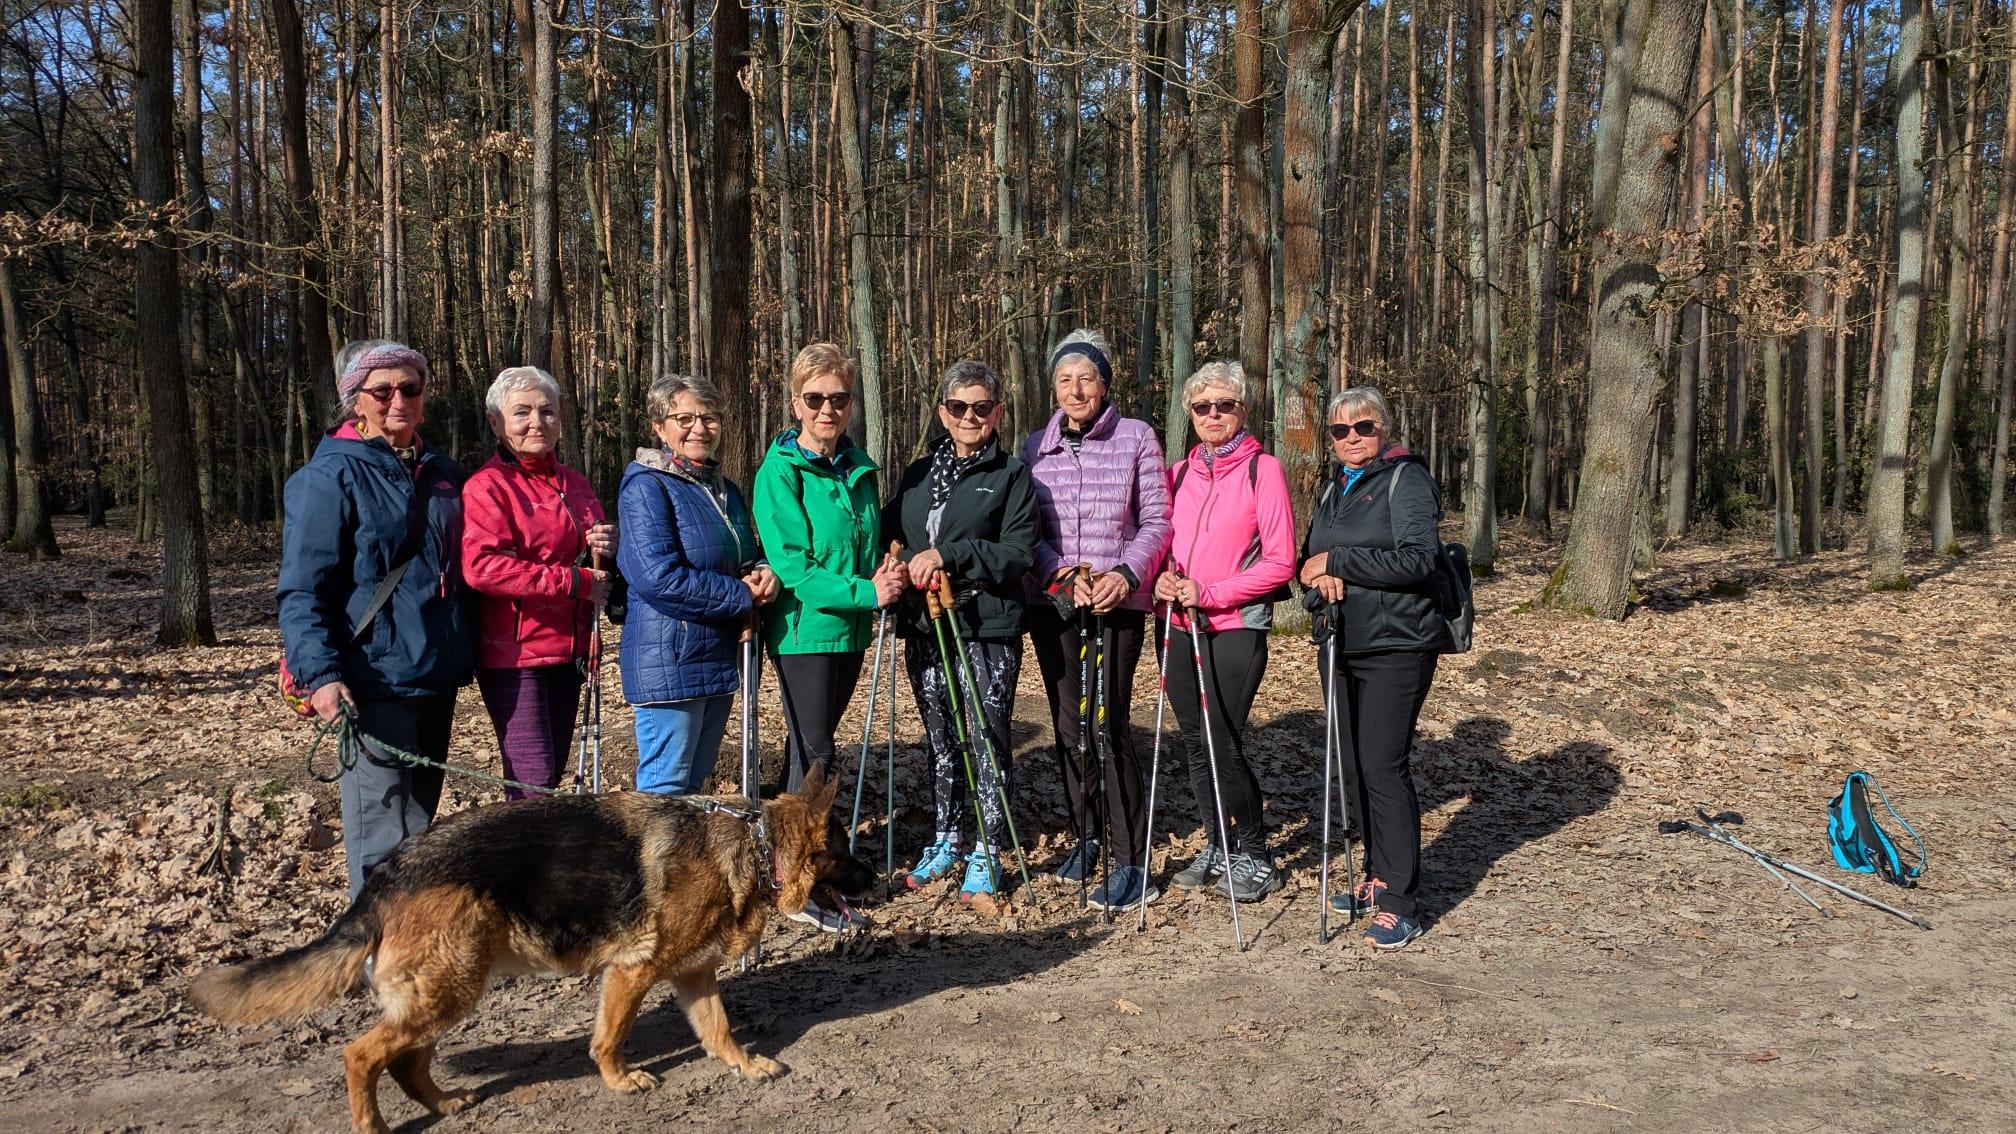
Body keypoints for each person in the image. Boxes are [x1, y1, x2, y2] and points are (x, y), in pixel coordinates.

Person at [278, 339, 474, 898]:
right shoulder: (328, 477)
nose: (398, 401)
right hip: (371, 682)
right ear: (355, 400)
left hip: (434, 677)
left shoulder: (443, 473)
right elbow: (302, 590)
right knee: (382, 841)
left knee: (419, 835)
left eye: (410, 388)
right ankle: (372, 945)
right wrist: (321, 675)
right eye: (382, 391)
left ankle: (406, 944)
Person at [752, 343, 903, 931]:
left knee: (807, 755)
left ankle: (782, 871)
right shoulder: (781, 471)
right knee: (817, 759)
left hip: (850, 631)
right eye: (814, 399)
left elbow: (863, 544)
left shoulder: (858, 467)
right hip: (804, 631)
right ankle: (798, 881)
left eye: (838, 399)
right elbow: (794, 567)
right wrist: (868, 591)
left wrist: (884, 567)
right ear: (796, 403)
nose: (826, 410)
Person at [1298, 386, 1450, 951]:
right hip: (1340, 640)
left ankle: (1401, 903)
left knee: (1384, 767)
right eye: (1340, 430)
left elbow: (1418, 559)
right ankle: (1376, 875)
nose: (1352, 438)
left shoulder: (1405, 479)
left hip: (1397, 644)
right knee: (1353, 766)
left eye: (1363, 427)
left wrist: (1339, 561)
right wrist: (1317, 578)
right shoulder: (1333, 487)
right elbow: (1307, 562)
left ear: (1384, 429)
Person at [1021, 329, 1171, 899]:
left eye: (1086, 378)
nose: (1076, 390)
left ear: (1105, 383)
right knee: (1069, 727)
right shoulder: (1034, 447)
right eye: (1065, 379)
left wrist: (1125, 575)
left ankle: (1132, 860)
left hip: (1116, 604)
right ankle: (1087, 834)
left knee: (1107, 726)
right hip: (1056, 603)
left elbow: (1157, 520)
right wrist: (1059, 573)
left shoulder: (1136, 437)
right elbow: (1027, 530)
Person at [882, 361, 1039, 902]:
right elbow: (890, 533)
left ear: (997, 413)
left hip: (985, 623)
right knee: (942, 738)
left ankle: (988, 847)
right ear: (942, 412)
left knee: (985, 736)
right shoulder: (918, 474)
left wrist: (950, 554)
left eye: (981, 407)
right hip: (927, 622)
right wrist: (893, 562)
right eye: (958, 407)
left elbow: (1018, 552)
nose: (969, 417)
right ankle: (947, 837)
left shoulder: (1011, 475)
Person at [1152, 361, 1297, 905]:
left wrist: (1211, 593)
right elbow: (1161, 543)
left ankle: (1257, 855)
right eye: (1202, 406)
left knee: (1222, 741)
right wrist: (1160, 577)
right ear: (1189, 413)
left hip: (1235, 625)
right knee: (1195, 742)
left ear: (1243, 409)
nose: (1213, 415)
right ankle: (1218, 845)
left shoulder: (1264, 469)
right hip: (1177, 624)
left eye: (1224, 405)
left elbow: (1281, 562)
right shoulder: (1178, 473)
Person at [615, 374, 777, 795]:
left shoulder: (725, 490)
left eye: (709, 418)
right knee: (665, 787)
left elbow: (745, 554)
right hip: (671, 657)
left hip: (718, 655)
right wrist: (741, 594)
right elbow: (658, 578)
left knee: (693, 782)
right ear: (659, 426)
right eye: (684, 419)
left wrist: (762, 571)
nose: (699, 429)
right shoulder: (647, 487)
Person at [461, 367, 617, 800]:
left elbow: (594, 559)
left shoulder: (575, 484)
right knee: (532, 782)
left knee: (552, 773)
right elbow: (483, 567)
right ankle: (520, 848)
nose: (537, 422)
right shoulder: (487, 488)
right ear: (496, 422)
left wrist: (607, 545)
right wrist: (574, 581)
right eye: (522, 413)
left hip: (572, 650)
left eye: (547, 412)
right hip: (517, 655)